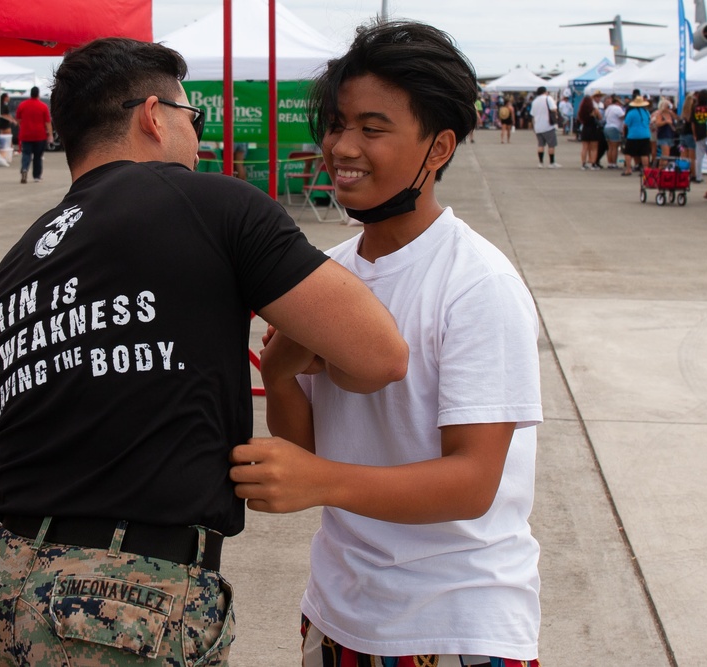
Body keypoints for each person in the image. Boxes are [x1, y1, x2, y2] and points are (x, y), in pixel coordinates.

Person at [0, 36, 409, 667]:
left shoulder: (13, 269)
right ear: (152, 116)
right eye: (195, 120)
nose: (198, 140)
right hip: (121, 606)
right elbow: (379, 355)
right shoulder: (210, 204)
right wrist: (280, 359)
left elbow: (2, 450)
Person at [230, 20, 542, 667]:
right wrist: (281, 371)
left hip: (456, 620)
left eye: (372, 129)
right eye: (338, 123)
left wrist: (323, 480)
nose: (341, 146)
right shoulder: (326, 274)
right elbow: (303, 452)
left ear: (439, 147)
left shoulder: (477, 282)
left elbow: (473, 480)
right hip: (338, 611)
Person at [15, 86, 52, 183]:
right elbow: (47, 122)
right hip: (40, 135)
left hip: (26, 135)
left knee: (26, 154)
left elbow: (18, 120)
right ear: (38, 94)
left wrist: (22, 126)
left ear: (30, 94)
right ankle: (36, 176)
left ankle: (24, 169)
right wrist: (50, 135)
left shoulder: (22, 105)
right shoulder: (43, 106)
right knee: (37, 156)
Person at [622, 96, 652, 177]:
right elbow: (650, 122)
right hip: (645, 134)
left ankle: (628, 169)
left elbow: (626, 124)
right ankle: (645, 170)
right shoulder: (646, 112)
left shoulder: (631, 113)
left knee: (628, 152)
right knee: (644, 153)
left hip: (633, 135)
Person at [530, 85, 559, 168]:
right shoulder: (548, 98)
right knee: (551, 145)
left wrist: (534, 127)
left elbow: (533, 115)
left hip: (538, 126)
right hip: (548, 125)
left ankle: (540, 162)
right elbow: (553, 109)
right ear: (545, 91)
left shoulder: (534, 101)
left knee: (540, 145)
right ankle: (551, 162)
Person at [692, 90, 707, 183]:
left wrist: (694, 134)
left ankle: (698, 176)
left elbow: (693, 123)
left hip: (699, 134)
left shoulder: (695, 108)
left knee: (699, 157)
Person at [578, 90, 602, 169]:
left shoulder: (581, 111)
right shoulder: (594, 109)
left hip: (585, 129)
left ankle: (583, 164)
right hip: (593, 129)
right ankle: (593, 163)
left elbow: (579, 119)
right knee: (594, 148)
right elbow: (600, 118)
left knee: (584, 148)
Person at [679, 93, 698, 181]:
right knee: (692, 157)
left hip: (682, 135)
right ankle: (693, 174)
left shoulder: (683, 111)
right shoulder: (693, 111)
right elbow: (693, 125)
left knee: (683, 156)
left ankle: (682, 173)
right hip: (690, 135)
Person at [603, 95, 625, 169]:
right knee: (615, 147)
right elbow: (622, 116)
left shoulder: (608, 108)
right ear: (617, 102)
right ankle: (614, 163)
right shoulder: (617, 108)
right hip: (614, 128)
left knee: (610, 147)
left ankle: (610, 163)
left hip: (607, 127)